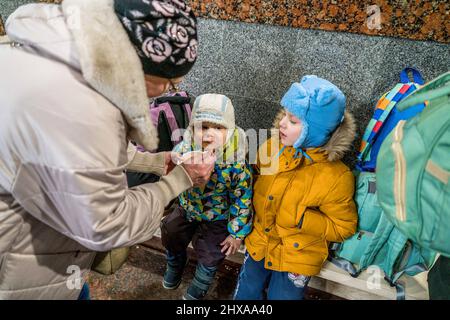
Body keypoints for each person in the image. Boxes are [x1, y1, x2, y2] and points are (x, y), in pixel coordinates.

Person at [0, 0, 214, 299]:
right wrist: (179, 180)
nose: (169, 89)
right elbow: (105, 224)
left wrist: (156, 162)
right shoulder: (85, 112)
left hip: (44, 246)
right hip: (23, 267)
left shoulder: (50, 56)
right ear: (136, 64)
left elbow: (75, 152)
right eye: (169, 79)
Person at [233, 75, 358, 300]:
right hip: (260, 241)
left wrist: (303, 219)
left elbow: (344, 228)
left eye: (293, 120)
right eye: (284, 115)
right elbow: (256, 178)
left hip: (298, 256)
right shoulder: (272, 147)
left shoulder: (337, 177)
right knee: (246, 294)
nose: (282, 123)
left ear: (316, 131)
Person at [160, 94, 253, 300]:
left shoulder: (235, 162)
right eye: (203, 127)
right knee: (170, 230)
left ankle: (202, 279)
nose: (209, 135)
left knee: (214, 250)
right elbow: (169, 177)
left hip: (217, 215)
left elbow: (243, 197)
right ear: (193, 128)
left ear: (229, 131)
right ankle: (175, 261)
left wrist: (236, 233)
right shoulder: (185, 148)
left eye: (218, 128)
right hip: (188, 208)